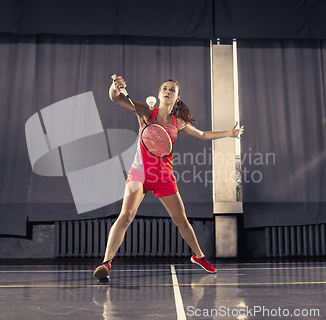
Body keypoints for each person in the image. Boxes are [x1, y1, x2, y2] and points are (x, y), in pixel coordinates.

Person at [93, 76, 244, 282]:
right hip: (139, 173)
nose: (167, 91)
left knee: (181, 220)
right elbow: (116, 98)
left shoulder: (178, 122)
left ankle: (198, 257)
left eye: (172, 90)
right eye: (164, 88)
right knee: (126, 215)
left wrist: (229, 133)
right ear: (158, 93)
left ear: (177, 97)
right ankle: (106, 263)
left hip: (163, 176)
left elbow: (200, 134)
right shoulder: (146, 112)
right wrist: (114, 87)